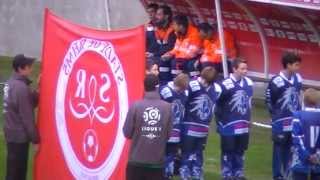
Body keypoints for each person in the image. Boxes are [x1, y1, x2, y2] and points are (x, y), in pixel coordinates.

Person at [123, 74, 172, 180]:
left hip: (136, 160)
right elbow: (168, 135)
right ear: (157, 87)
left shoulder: (135, 106)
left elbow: (127, 132)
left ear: (144, 87)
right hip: (156, 162)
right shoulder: (167, 107)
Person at [179, 67, 222, 180]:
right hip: (189, 124)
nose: (203, 82)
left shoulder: (217, 89)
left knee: (199, 150)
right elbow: (183, 102)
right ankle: (185, 169)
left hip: (203, 126)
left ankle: (197, 170)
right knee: (187, 150)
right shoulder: (192, 85)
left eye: (206, 81)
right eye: (203, 79)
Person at [265, 52, 302, 180]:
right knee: (278, 150)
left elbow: (298, 97)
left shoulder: (298, 79)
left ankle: (288, 174)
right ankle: (277, 175)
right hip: (280, 122)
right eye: (296, 65)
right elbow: (270, 100)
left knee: (291, 149)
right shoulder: (276, 81)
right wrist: (274, 117)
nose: (298, 68)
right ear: (288, 65)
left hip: (294, 121)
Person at [3, 54, 40, 180]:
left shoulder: (10, 83)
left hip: (11, 133)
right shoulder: (21, 88)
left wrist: (39, 89)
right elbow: (27, 117)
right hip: (19, 137)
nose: (31, 69)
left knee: (12, 170)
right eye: (28, 67)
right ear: (20, 69)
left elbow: (28, 102)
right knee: (17, 174)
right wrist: (35, 140)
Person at [215, 59, 253, 180]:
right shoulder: (225, 84)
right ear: (234, 69)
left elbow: (249, 103)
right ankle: (227, 173)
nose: (245, 71)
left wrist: (249, 119)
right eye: (242, 69)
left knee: (241, 149)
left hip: (243, 123)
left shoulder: (249, 83)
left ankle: (238, 172)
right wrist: (220, 121)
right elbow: (218, 104)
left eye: (246, 69)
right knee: (228, 149)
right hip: (228, 123)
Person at [159, 73, 189, 179]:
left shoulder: (185, 93)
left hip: (177, 130)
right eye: (181, 88)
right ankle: (161, 174)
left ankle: (168, 174)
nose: (181, 91)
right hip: (163, 130)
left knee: (171, 154)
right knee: (162, 153)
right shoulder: (165, 91)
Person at [291, 88, 320, 180]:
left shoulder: (298, 115)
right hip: (318, 160)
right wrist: (317, 155)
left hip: (300, 160)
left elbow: (296, 137)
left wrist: (307, 155)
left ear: (303, 100)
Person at [162, 14, 202, 79]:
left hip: (196, 57)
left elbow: (192, 53)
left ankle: (179, 84)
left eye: (174, 25)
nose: (173, 27)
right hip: (183, 57)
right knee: (163, 61)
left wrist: (176, 56)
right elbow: (176, 48)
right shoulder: (179, 33)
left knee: (176, 63)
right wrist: (169, 54)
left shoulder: (195, 33)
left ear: (181, 26)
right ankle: (165, 82)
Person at [147, 5, 176, 85]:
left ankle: (166, 84)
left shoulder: (172, 29)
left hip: (171, 54)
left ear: (166, 16)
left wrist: (154, 54)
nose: (156, 17)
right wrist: (149, 53)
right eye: (157, 14)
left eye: (159, 14)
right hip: (161, 54)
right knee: (148, 60)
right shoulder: (158, 28)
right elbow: (156, 44)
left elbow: (170, 47)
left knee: (161, 61)